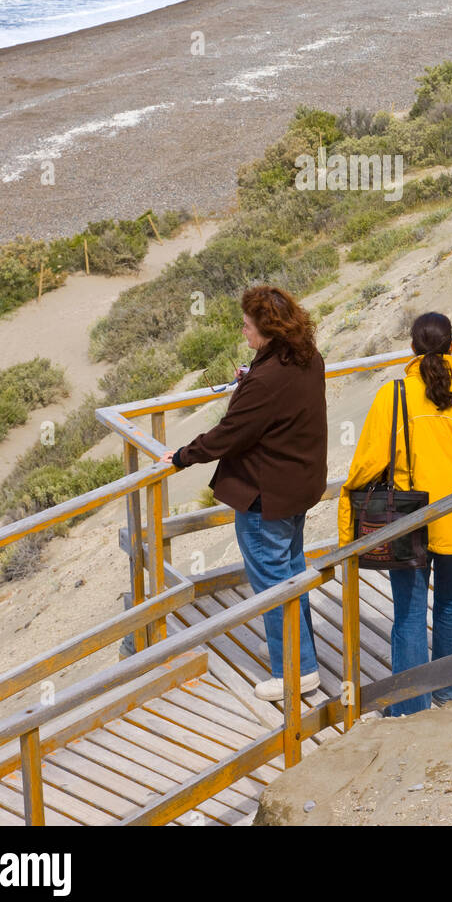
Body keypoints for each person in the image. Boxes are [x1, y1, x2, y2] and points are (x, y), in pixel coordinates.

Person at [338, 312, 452, 716]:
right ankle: (449, 693)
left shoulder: (393, 394)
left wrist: (346, 533)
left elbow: (365, 467)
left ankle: (410, 706)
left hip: (408, 524)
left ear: (412, 349)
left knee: (410, 612)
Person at [160, 286, 327, 700]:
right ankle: (291, 648)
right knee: (291, 572)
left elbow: (229, 434)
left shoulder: (266, 381)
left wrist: (182, 455)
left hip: (264, 495)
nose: (243, 330)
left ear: (268, 330)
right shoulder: (306, 358)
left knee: (273, 580)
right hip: (298, 487)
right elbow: (272, 405)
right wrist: (249, 379)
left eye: (248, 326)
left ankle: (297, 670)